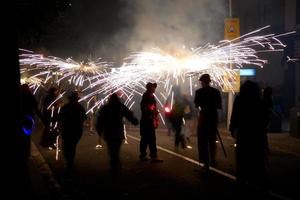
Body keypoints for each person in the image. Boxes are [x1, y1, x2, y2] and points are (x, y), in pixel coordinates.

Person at [229, 80, 269, 194]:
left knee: (242, 159)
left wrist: (232, 128)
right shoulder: (260, 101)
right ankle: (261, 183)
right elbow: (265, 118)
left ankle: (242, 182)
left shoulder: (240, 100)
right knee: (259, 160)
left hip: (244, 134)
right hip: (258, 135)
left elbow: (235, 115)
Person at [96, 93, 138, 171]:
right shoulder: (121, 106)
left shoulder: (106, 108)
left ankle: (114, 162)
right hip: (118, 132)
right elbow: (129, 115)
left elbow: (100, 120)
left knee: (111, 149)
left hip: (109, 132)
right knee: (116, 149)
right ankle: (115, 163)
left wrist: (99, 130)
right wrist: (134, 121)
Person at [194, 74, 222, 169]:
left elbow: (196, 105)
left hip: (203, 118)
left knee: (202, 141)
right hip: (213, 118)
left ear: (202, 82)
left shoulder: (199, 92)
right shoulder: (216, 92)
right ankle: (213, 158)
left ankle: (205, 161)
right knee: (212, 140)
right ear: (209, 81)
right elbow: (219, 106)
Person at [59, 91, 87, 173]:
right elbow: (84, 117)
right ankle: (70, 162)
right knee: (72, 146)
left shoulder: (66, 107)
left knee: (67, 146)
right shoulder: (80, 107)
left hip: (67, 129)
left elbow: (60, 116)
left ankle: (69, 162)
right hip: (77, 130)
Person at [139, 82, 163, 162]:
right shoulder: (147, 96)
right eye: (153, 87)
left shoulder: (150, 96)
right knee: (151, 139)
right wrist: (153, 112)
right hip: (147, 121)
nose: (154, 89)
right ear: (149, 88)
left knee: (145, 139)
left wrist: (155, 112)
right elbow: (145, 108)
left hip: (148, 120)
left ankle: (143, 155)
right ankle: (153, 156)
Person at [20, 83, 44, 160]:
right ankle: (27, 154)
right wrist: (43, 119)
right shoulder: (31, 97)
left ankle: (23, 153)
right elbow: (36, 110)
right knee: (27, 137)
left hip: (21, 119)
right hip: (28, 119)